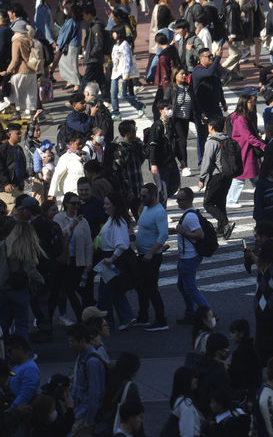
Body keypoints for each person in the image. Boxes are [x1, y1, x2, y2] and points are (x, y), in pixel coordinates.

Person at [0, 221, 44, 345]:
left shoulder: (3, 245)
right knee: (22, 324)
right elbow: (30, 270)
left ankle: (4, 352)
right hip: (19, 289)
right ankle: (24, 353)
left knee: (2, 323)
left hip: (2, 288)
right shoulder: (25, 248)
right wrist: (41, 280)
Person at [97, 192, 136, 330]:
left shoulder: (118, 222)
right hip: (111, 258)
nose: (105, 206)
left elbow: (121, 244)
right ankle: (127, 317)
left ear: (115, 205)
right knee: (115, 291)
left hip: (113, 259)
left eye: (107, 204)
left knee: (105, 292)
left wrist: (111, 258)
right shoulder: (114, 219)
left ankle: (107, 323)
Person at [53, 192, 92, 323]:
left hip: (77, 259)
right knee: (67, 289)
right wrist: (71, 226)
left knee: (77, 288)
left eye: (78, 203)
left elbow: (88, 243)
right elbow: (58, 236)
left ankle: (85, 314)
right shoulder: (58, 218)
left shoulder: (83, 221)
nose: (76, 206)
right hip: (63, 259)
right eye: (73, 203)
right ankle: (80, 316)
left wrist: (88, 263)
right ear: (65, 204)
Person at [134, 183, 168, 331]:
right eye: (141, 195)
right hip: (142, 254)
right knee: (142, 287)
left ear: (153, 195)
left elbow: (163, 235)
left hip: (152, 257)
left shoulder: (159, 212)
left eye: (144, 196)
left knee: (151, 288)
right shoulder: (146, 207)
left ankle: (161, 320)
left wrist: (151, 252)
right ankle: (143, 316)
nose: (141, 198)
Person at [68, 324, 106, 437]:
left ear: (82, 341)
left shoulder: (92, 362)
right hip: (80, 409)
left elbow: (95, 392)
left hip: (85, 412)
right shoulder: (82, 356)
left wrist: (89, 418)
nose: (70, 345)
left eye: (72, 342)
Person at [199, 118, 235, 239]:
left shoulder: (211, 142)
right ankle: (221, 229)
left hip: (216, 176)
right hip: (228, 175)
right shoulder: (228, 139)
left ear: (211, 127)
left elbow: (206, 161)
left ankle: (225, 224)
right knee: (220, 201)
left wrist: (202, 178)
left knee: (207, 203)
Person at [227, 94, 264, 206]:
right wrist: (262, 145)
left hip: (245, 150)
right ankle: (231, 200)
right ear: (244, 103)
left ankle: (262, 197)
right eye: (250, 102)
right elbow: (248, 136)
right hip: (244, 151)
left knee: (253, 176)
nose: (253, 104)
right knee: (242, 177)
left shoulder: (239, 116)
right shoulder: (240, 119)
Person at [109, 25, 145, 120]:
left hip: (122, 73)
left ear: (119, 33)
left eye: (114, 32)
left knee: (123, 94)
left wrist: (127, 72)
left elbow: (128, 59)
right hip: (115, 73)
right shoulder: (115, 45)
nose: (113, 34)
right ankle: (116, 112)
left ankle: (139, 106)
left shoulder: (125, 44)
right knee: (113, 94)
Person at [2, 20, 38, 113]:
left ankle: (17, 114)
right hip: (32, 71)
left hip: (20, 72)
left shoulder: (16, 41)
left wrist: (7, 71)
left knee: (14, 96)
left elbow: (15, 60)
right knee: (31, 97)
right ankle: (34, 119)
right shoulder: (32, 40)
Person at [228, 319, 262, 403]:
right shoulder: (251, 349)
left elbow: (235, 377)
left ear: (241, 333)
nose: (230, 335)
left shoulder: (239, 353)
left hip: (244, 393)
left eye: (233, 332)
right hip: (253, 390)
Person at [193, 47, 227, 121]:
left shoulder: (213, 69)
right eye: (209, 56)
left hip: (216, 108)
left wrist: (223, 102)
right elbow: (208, 73)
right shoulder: (197, 70)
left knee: (220, 130)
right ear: (201, 58)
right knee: (204, 133)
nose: (211, 58)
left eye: (212, 55)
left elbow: (219, 87)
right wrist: (217, 57)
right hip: (203, 111)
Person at [6, 334, 39, 408]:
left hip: (21, 412)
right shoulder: (18, 366)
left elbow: (26, 394)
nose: (8, 354)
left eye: (10, 351)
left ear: (19, 349)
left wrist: (13, 408)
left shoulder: (30, 369)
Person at [169, 367, 202, 437]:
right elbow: (187, 433)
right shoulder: (186, 405)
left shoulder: (179, 400)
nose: (196, 380)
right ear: (186, 381)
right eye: (193, 377)